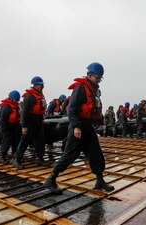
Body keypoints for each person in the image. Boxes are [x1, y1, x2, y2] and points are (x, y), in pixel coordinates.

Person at [43, 62, 114, 193]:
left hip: (88, 126)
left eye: (100, 78)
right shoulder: (81, 88)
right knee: (70, 155)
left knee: (96, 154)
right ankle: (50, 179)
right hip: (78, 126)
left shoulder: (94, 91)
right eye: (97, 77)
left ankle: (100, 180)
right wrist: (76, 126)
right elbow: (72, 109)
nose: (98, 80)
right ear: (90, 75)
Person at [12, 76, 48, 169]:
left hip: (38, 122)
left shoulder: (40, 95)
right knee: (24, 141)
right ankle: (17, 159)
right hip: (30, 122)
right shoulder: (29, 96)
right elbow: (24, 112)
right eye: (41, 85)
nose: (42, 87)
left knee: (40, 141)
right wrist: (24, 126)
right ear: (36, 85)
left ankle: (40, 158)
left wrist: (41, 119)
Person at [0, 90, 21, 164]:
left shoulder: (17, 106)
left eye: (17, 100)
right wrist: (3, 130)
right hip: (6, 127)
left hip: (15, 126)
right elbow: (2, 119)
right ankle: (2, 156)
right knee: (6, 141)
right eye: (15, 100)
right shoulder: (6, 106)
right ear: (11, 98)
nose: (16, 101)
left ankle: (15, 156)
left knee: (16, 141)